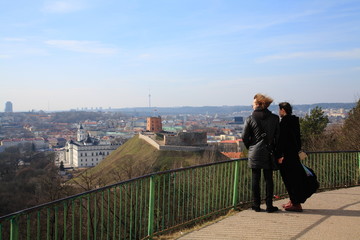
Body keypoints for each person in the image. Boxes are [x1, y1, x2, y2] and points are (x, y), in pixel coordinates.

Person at [242, 93, 280, 213]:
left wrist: (251, 147)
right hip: (269, 152)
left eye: (253, 103)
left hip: (255, 152)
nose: (252, 105)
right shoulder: (274, 118)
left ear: (258, 104)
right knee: (269, 179)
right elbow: (278, 138)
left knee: (255, 179)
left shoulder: (250, 118)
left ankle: (256, 205)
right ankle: (269, 205)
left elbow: (244, 137)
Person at [277, 102, 307, 212]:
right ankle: (293, 201)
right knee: (294, 178)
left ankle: (296, 203)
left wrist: (280, 155)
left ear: (283, 110)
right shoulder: (295, 121)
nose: (279, 112)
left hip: (287, 157)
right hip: (294, 155)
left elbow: (282, 141)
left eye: (279, 110)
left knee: (289, 180)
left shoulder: (284, 122)